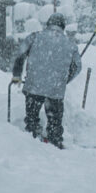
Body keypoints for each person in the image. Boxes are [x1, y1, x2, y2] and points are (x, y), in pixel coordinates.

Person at [11, 13, 81, 149]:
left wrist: (17, 75)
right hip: (55, 89)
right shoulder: (70, 44)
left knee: (32, 117)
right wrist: (64, 79)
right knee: (54, 120)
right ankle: (55, 141)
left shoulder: (34, 37)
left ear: (48, 24)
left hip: (34, 86)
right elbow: (77, 66)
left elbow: (20, 55)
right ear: (63, 26)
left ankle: (31, 139)